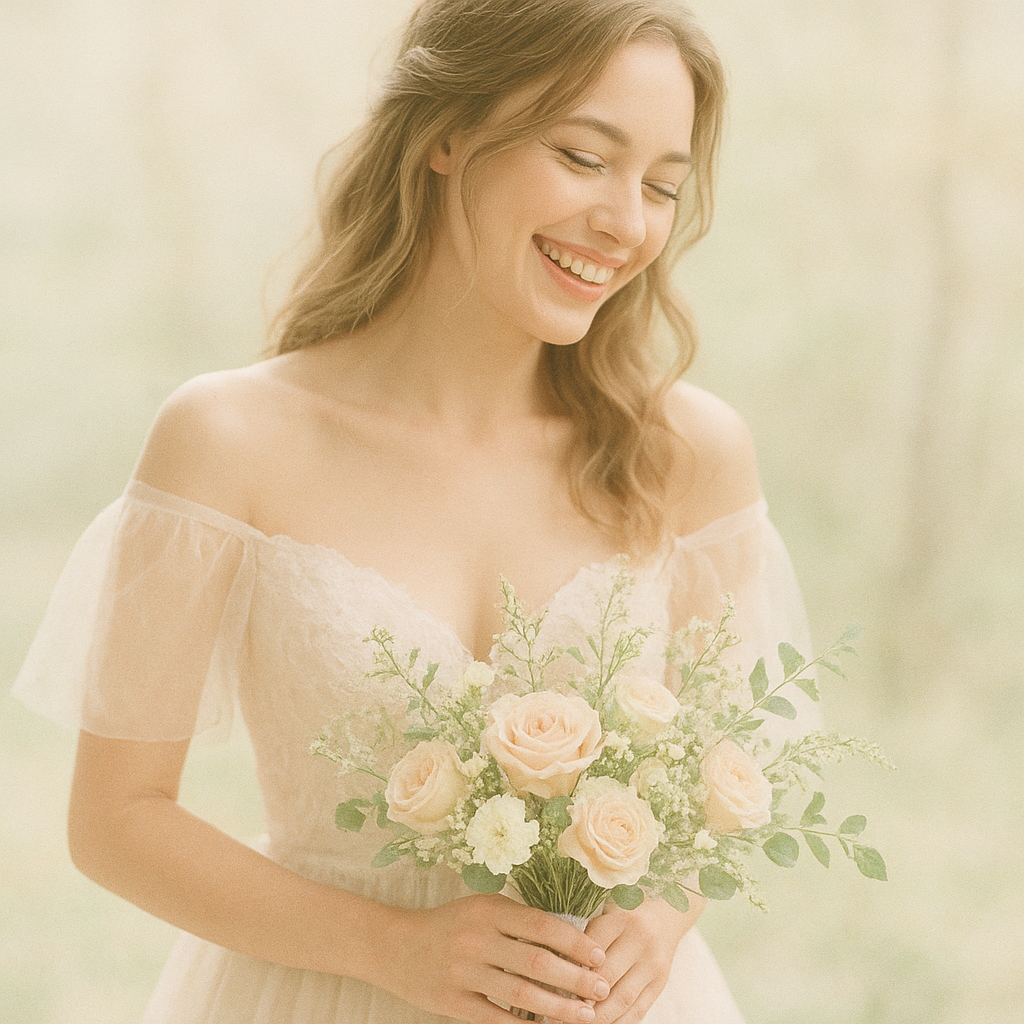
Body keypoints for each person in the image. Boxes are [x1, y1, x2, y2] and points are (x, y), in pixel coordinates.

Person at [13, 1, 814, 1022]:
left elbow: (716, 783)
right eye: (581, 156)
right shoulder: (229, 438)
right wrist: (385, 947)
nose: (627, 223)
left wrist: (656, 917)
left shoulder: (685, 454)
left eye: (661, 186)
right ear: (445, 133)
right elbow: (116, 822)